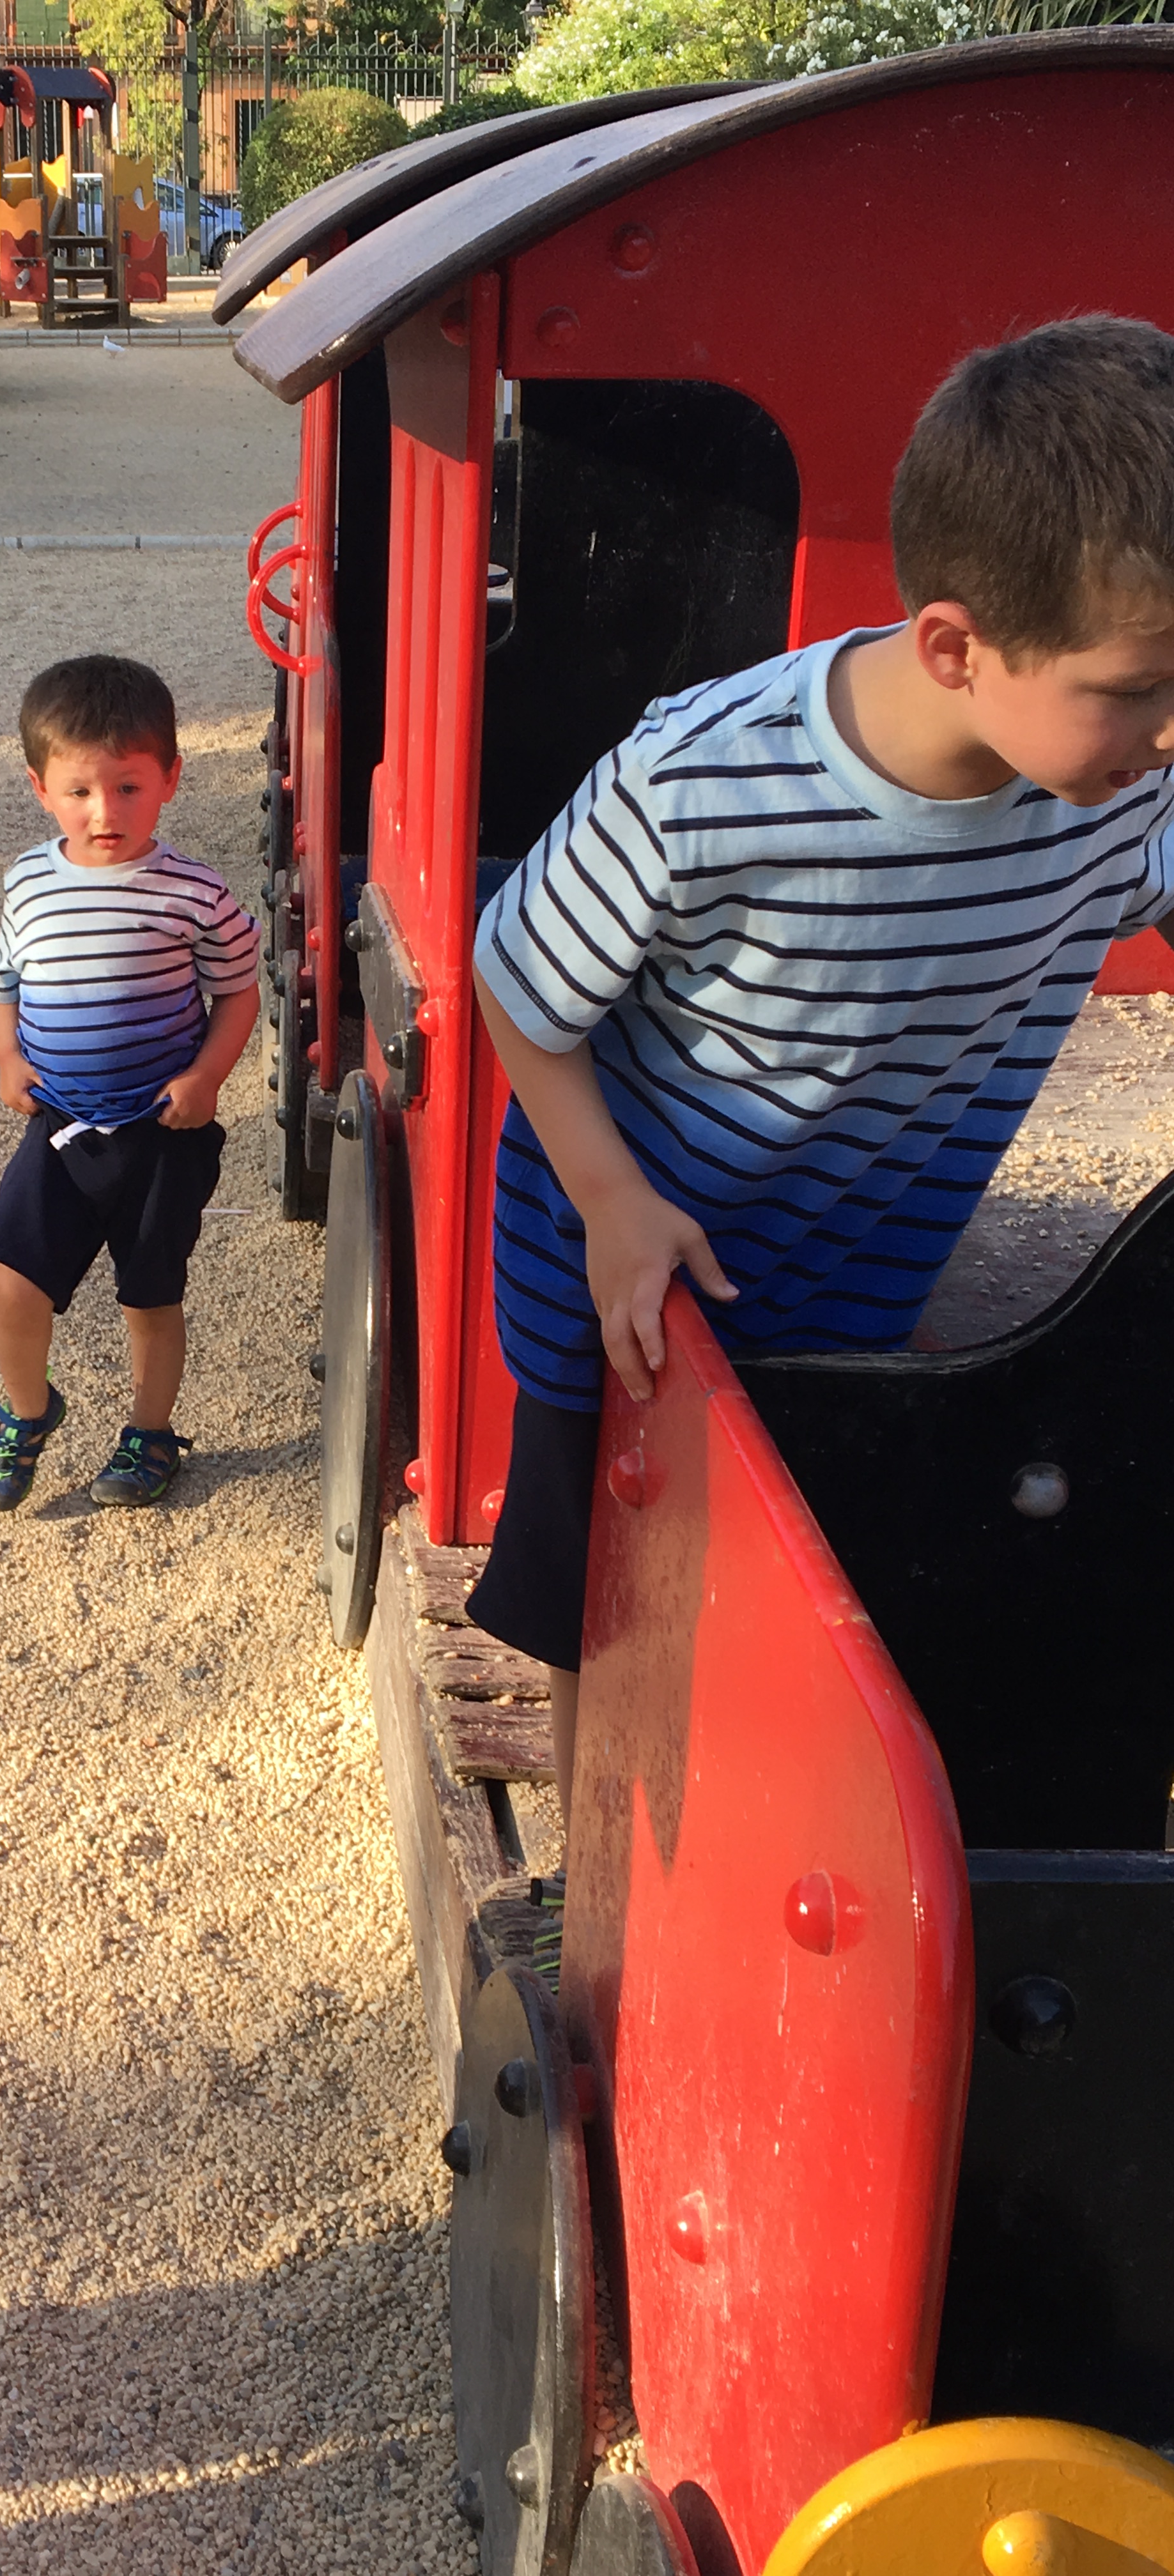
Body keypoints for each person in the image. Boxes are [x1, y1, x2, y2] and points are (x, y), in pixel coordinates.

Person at [465, 314, 1174, 1823]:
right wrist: (612, 1203)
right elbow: (518, 986)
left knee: (817, 1582)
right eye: (1140, 686)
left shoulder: (1117, 782)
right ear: (956, 648)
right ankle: (599, 1885)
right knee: (616, 1612)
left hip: (860, 1280)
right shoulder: (706, 780)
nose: (1169, 731)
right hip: (638, 1289)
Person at [0, 656, 260, 1512]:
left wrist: (207, 1076)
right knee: (15, 1280)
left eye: (129, 787)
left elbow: (240, 989)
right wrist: (8, 1059)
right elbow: (3, 984)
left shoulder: (194, 892)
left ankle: (150, 1432)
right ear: (40, 788)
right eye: (81, 791)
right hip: (61, 1127)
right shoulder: (28, 882)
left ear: (170, 777)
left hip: (162, 1131)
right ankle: (27, 1412)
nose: (106, 813)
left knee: (149, 1294)